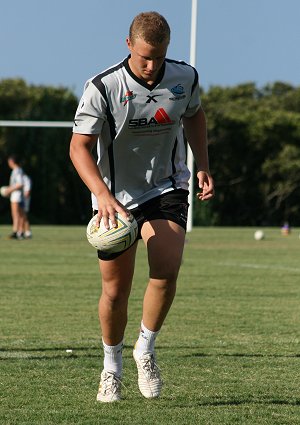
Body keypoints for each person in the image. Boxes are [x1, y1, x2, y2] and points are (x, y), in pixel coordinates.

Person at [70, 11, 214, 403]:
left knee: (166, 269)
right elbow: (79, 147)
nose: (152, 66)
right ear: (129, 45)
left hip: (166, 187)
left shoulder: (185, 78)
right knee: (115, 291)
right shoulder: (103, 86)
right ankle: (111, 367)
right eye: (145, 57)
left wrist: (202, 165)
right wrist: (101, 193)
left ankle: (145, 350)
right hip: (114, 198)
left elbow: (195, 116)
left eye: (160, 57)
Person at [6, 154, 25, 240]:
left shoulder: (17, 170)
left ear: (12, 161)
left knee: (16, 214)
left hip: (16, 196)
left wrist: (9, 190)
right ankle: (20, 232)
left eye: (9, 161)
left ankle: (16, 232)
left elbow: (20, 184)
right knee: (19, 214)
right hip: (15, 195)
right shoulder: (16, 170)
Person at [22, 173, 32, 239]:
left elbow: (27, 191)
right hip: (21, 198)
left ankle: (28, 231)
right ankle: (22, 231)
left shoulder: (25, 178)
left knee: (24, 215)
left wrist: (24, 199)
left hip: (25, 199)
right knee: (21, 216)